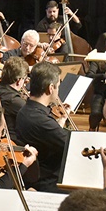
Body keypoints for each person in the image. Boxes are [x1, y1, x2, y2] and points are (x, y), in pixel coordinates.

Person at [15, 61, 69, 193]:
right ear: (50, 88)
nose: (58, 91)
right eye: (57, 87)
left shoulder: (26, 111)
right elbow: (70, 144)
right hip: (50, 180)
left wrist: (60, 122)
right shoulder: (40, 119)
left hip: (40, 174)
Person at [85, 32, 106, 131]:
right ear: (103, 46)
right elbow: (89, 75)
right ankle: (92, 130)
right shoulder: (97, 59)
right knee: (96, 113)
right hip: (101, 92)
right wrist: (104, 76)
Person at [0, 56, 29, 141]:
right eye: (24, 79)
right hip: (13, 142)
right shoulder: (14, 100)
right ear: (19, 81)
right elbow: (34, 117)